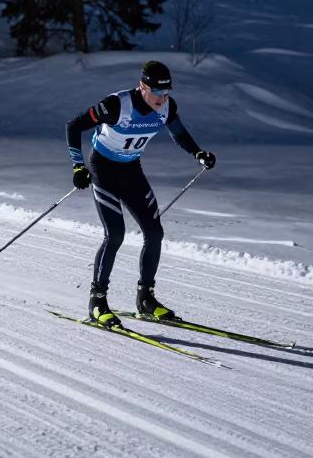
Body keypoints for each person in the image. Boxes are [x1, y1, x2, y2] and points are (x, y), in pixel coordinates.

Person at [65, 60, 216, 328]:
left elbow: (179, 134)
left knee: (154, 233)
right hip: (103, 168)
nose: (162, 98)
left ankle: (146, 299)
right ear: (142, 86)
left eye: (166, 92)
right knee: (115, 235)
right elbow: (74, 125)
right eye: (157, 92)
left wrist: (198, 153)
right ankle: (97, 302)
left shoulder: (167, 107)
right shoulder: (116, 105)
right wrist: (78, 166)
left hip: (131, 169)